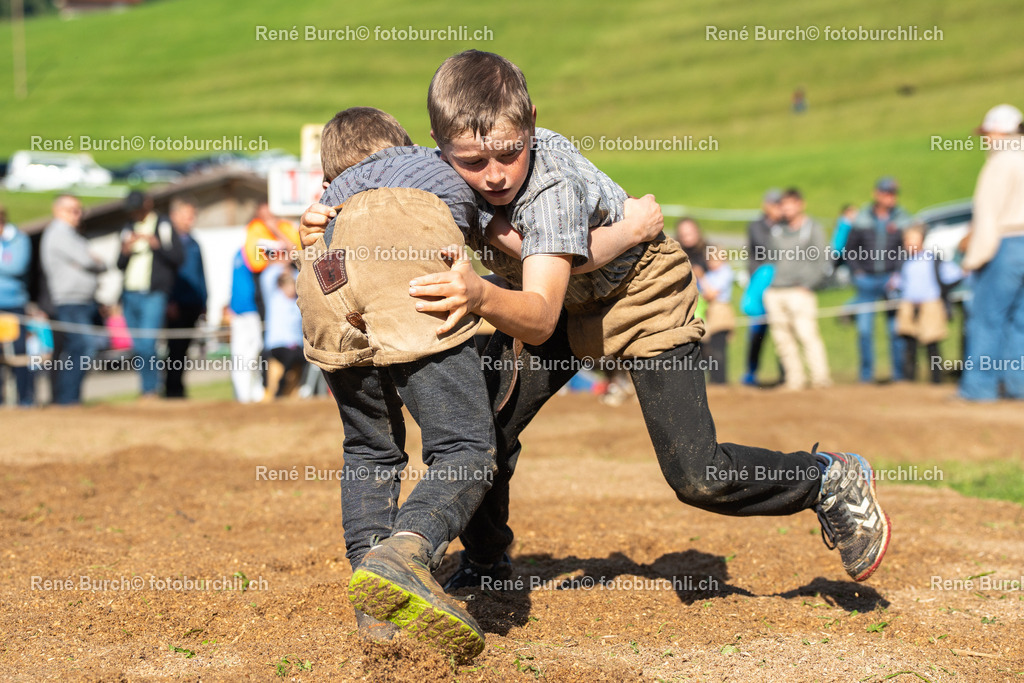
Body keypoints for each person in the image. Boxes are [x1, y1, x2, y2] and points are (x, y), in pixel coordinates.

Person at [303, 52, 891, 596]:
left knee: (699, 474)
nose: (495, 175)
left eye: (510, 153)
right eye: (472, 163)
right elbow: (378, 199)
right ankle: (485, 563)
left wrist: (481, 292)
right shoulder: (442, 170)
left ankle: (825, 480)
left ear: (531, 121)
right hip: (554, 303)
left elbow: (535, 319)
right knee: (486, 435)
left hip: (634, 298)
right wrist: (321, 221)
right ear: (439, 146)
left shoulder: (552, 186)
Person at [297, 107, 664, 657]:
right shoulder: (431, 165)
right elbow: (526, 253)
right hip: (406, 270)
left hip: (321, 273)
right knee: (465, 446)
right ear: (409, 145)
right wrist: (629, 229)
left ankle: (376, 603)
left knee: (369, 449)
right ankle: (407, 552)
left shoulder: (330, 197)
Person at [959, 104, 1024, 401]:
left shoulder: (1000, 162)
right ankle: (1018, 386)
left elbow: (987, 217)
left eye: (987, 133)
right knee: (1020, 321)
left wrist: (973, 259)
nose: (984, 139)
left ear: (1001, 131)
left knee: (987, 318)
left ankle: (979, 388)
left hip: (1006, 244)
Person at [845, 177, 913, 383]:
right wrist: (857, 272)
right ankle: (866, 376)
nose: (890, 197)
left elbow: (906, 250)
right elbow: (850, 250)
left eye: (893, 193)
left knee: (895, 331)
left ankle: (898, 375)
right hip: (866, 281)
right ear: (876, 194)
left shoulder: (902, 218)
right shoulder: (862, 219)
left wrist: (898, 274)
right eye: (886, 193)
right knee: (865, 331)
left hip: (891, 280)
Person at [117, 190, 184, 398]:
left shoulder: (163, 225)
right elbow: (118, 264)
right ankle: (147, 387)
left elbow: (178, 257)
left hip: (154, 293)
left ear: (147, 204)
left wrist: (157, 246)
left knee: (147, 342)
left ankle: (150, 389)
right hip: (130, 293)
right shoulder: (127, 227)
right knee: (138, 346)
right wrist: (125, 251)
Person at [40, 195, 106, 405]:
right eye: (72, 210)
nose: (78, 215)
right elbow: (89, 260)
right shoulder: (59, 233)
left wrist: (91, 263)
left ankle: (70, 398)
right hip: (70, 301)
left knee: (79, 348)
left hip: (83, 300)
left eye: (79, 210)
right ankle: (67, 399)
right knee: (83, 347)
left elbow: (101, 264)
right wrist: (90, 261)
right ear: (58, 210)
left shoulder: (74, 235)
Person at [763, 188, 831, 390]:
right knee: (782, 340)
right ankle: (795, 380)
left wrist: (808, 284)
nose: (786, 208)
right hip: (775, 291)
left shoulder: (813, 228)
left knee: (807, 335)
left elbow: (822, 260)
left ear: (801, 204)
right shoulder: (776, 229)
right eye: (782, 204)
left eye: (790, 203)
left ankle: (820, 379)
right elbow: (769, 259)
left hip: (800, 292)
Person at [893, 225, 963, 383]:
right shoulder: (903, 262)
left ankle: (936, 380)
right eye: (907, 240)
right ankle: (909, 379)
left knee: (932, 345)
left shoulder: (933, 259)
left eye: (913, 239)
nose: (909, 243)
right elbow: (899, 282)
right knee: (909, 345)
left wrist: (943, 293)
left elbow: (955, 275)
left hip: (930, 305)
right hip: (909, 305)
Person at [164, 196, 207, 399]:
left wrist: (204, 301)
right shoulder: (169, 244)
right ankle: (171, 389)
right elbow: (168, 275)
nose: (191, 219)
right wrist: (170, 300)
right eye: (186, 215)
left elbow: (200, 274)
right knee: (174, 348)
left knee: (184, 350)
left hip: (192, 303)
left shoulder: (194, 243)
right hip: (176, 304)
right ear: (174, 216)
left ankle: (178, 388)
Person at [744, 189, 783, 386]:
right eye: (775, 204)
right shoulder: (757, 226)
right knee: (757, 332)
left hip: (780, 286)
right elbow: (766, 246)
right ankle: (750, 373)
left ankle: (786, 373)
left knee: (782, 331)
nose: (779, 208)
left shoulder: (785, 226)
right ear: (766, 205)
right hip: (760, 288)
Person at [0, 204, 35, 407]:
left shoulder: (19, 239)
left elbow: (17, 266)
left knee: (19, 353)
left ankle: (25, 398)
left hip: (13, 304)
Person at [259, 256, 303, 400]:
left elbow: (302, 278)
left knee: (304, 356)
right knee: (290, 356)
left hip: (296, 346)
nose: (291, 289)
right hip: (277, 345)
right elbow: (267, 278)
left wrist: (292, 266)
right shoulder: (274, 298)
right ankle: (279, 387)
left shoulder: (298, 302)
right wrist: (282, 265)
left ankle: (302, 389)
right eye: (288, 285)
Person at [228, 246, 265, 403]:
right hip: (244, 313)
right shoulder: (247, 252)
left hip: (250, 312)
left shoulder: (245, 252)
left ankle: (255, 393)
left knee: (253, 354)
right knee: (244, 356)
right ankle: (244, 396)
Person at [697, 247, 735, 385]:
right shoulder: (713, 274)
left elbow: (711, 293)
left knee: (718, 348)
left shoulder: (725, 272)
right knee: (709, 348)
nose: (711, 262)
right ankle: (714, 379)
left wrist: (701, 278)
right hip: (711, 312)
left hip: (721, 312)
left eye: (714, 259)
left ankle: (720, 380)